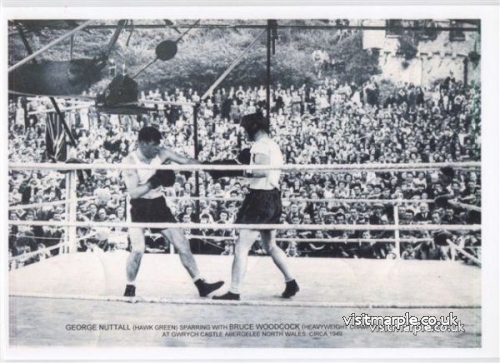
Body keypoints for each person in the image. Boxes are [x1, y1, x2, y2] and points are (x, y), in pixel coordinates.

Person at [121, 126, 224, 297]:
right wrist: (154, 182)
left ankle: (200, 284)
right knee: (138, 249)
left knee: (182, 243)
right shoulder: (130, 161)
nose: (156, 149)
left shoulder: (162, 153)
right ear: (142, 144)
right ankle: (129, 287)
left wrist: (211, 167)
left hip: (157, 204)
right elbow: (133, 193)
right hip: (138, 206)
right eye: (153, 145)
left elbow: (186, 161)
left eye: (158, 145)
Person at [212, 112, 299, 300]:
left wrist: (237, 170)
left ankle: (234, 291)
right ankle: (291, 281)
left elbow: (260, 171)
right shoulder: (273, 145)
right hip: (273, 197)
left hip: (260, 197)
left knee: (241, 247)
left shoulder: (260, 146)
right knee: (270, 245)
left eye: (245, 129)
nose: (244, 133)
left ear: (253, 127)